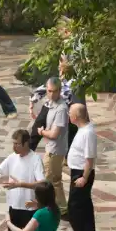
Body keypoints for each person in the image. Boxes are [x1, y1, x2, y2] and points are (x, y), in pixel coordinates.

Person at [28, 53, 85, 152]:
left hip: (64, 110)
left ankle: (67, 157)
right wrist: (31, 105)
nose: (59, 66)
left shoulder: (73, 82)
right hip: (49, 108)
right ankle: (28, 152)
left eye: (61, 64)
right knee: (35, 131)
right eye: (60, 63)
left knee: (71, 131)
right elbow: (42, 89)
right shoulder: (57, 80)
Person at [35, 77, 70, 216]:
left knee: (50, 181)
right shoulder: (51, 103)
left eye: (54, 91)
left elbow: (55, 134)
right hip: (52, 148)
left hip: (55, 151)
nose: (51, 94)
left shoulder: (61, 108)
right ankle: (60, 208)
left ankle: (57, 209)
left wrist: (41, 132)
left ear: (60, 91)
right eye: (49, 91)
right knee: (55, 180)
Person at [65, 103, 97, 231]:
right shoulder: (83, 129)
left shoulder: (87, 133)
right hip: (78, 171)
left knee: (74, 206)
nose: (68, 115)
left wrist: (84, 177)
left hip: (81, 173)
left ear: (76, 116)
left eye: (70, 112)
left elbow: (89, 158)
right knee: (84, 204)